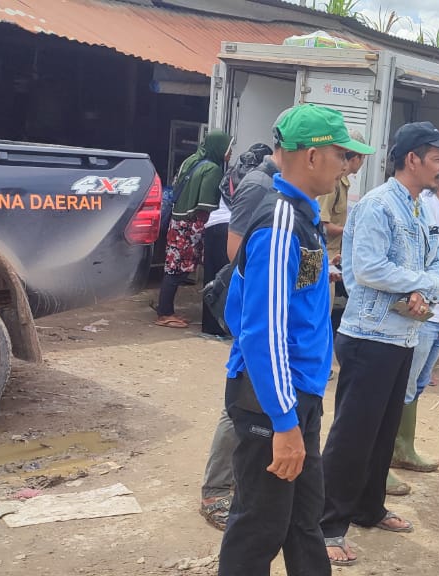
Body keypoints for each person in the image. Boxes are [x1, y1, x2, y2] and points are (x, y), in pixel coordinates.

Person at [217, 104, 370, 576]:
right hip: (271, 401)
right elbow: (262, 333)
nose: (346, 164)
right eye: (340, 154)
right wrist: (283, 423)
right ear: (310, 156)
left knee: (304, 521)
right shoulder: (280, 225)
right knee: (260, 524)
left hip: (298, 392)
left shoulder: (303, 219)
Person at [318, 122, 439, 565]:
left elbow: (435, 261)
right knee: (353, 435)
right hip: (370, 336)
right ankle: (327, 524)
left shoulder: (420, 207)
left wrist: (427, 288)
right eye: (436, 159)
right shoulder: (379, 205)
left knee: (381, 432)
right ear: (412, 159)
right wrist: (426, 285)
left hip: (404, 335)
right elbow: (370, 269)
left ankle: (368, 507)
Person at [199, 141, 283, 531]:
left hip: (271, 317)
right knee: (239, 405)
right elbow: (237, 250)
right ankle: (215, 490)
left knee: (255, 406)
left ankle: (237, 483)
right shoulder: (259, 186)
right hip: (254, 313)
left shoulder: (283, 189)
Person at [385, 146, 439, 496]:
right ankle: (390, 453)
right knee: (403, 386)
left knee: (418, 384)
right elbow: (422, 258)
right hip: (426, 311)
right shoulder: (428, 206)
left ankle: (404, 447)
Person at [156, 131, 230, 329]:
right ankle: (164, 314)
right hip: (191, 224)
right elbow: (206, 203)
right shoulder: (213, 170)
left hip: (177, 220)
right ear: (219, 148)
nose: (230, 153)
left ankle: (166, 309)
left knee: (173, 266)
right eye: (228, 148)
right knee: (177, 270)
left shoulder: (192, 160)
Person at [201, 143, 273, 341]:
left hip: (213, 223)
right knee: (227, 278)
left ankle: (208, 327)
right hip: (230, 227)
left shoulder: (232, 171)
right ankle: (225, 326)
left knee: (212, 278)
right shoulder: (255, 178)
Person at [317, 130, 367, 338]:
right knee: (322, 314)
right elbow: (323, 224)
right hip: (324, 257)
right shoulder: (333, 184)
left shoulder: (342, 183)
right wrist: (352, 232)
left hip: (334, 257)